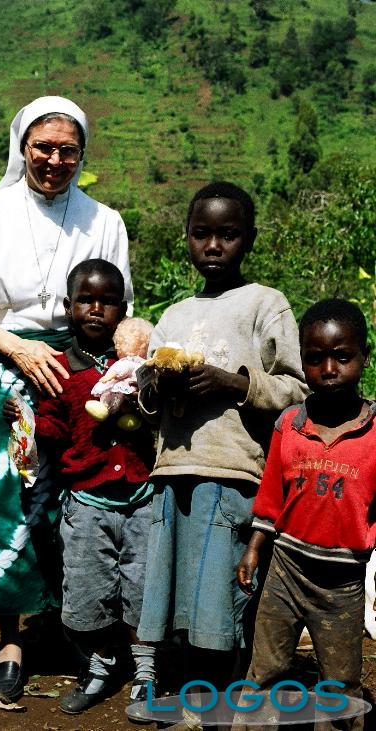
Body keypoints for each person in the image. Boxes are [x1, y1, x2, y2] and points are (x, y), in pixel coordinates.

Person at [0, 96, 133, 703]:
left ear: (82, 154)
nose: (54, 160)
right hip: (5, 369)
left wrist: (122, 369)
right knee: (4, 505)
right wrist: (19, 351)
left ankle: (80, 628)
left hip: (81, 377)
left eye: (67, 150)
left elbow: (122, 308)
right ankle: (12, 641)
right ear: (22, 146)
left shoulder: (105, 222)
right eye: (42, 147)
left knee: (75, 500)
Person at [135, 181, 308, 689]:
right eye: (201, 234)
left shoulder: (264, 304)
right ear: (186, 238)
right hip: (172, 473)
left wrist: (235, 382)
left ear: (248, 239)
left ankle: (224, 699)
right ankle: (194, 689)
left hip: (232, 474)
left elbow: (297, 390)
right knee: (177, 597)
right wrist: (155, 385)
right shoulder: (174, 316)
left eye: (228, 235)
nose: (213, 246)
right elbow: (148, 408)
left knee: (220, 601)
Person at [4, 259, 156, 714]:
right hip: (86, 504)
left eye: (108, 302)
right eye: (86, 300)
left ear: (123, 310)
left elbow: (159, 416)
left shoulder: (137, 365)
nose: (96, 309)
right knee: (88, 590)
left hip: (141, 499)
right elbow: (51, 428)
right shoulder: (58, 370)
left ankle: (146, 671)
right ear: (69, 308)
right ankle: (100, 663)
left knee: (142, 587)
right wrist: (25, 422)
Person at [237, 299, 374, 731]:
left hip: (343, 582)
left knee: (339, 682)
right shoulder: (289, 425)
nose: (328, 368)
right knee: (264, 670)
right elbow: (270, 498)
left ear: (364, 358)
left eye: (342, 356)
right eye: (314, 359)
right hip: (285, 571)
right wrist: (254, 551)